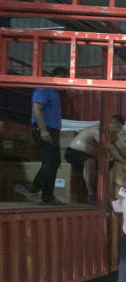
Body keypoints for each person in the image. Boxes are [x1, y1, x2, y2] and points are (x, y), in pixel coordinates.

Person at [65, 115, 126, 205]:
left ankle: (108, 194)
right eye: (117, 128)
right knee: (90, 162)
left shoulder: (114, 136)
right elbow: (108, 149)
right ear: (110, 124)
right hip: (74, 153)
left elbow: (121, 149)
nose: (118, 131)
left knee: (112, 163)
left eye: (120, 129)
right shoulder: (98, 131)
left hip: (91, 156)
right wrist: (122, 160)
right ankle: (91, 194)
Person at [26, 67, 69, 206]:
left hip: (51, 130)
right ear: (57, 77)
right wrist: (43, 131)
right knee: (52, 162)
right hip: (45, 130)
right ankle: (41, 193)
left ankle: (40, 192)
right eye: (65, 80)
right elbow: (36, 110)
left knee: (51, 162)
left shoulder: (54, 93)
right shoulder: (45, 88)